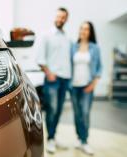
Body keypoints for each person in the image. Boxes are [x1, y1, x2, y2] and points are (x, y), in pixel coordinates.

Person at [37, 8, 71, 153]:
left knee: (58, 111)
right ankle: (50, 139)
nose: (60, 19)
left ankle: (53, 136)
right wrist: (49, 73)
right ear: (55, 17)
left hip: (65, 79)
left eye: (63, 17)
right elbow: (39, 58)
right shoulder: (46, 35)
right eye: (59, 16)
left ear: (66, 19)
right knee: (52, 110)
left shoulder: (66, 38)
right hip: (52, 79)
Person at [70, 21, 102, 155]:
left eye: (86, 29)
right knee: (77, 114)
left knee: (85, 114)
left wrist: (93, 84)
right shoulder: (73, 47)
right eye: (82, 28)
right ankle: (79, 138)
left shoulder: (95, 48)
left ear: (90, 32)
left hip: (87, 86)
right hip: (74, 87)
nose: (83, 31)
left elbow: (100, 67)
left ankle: (85, 141)